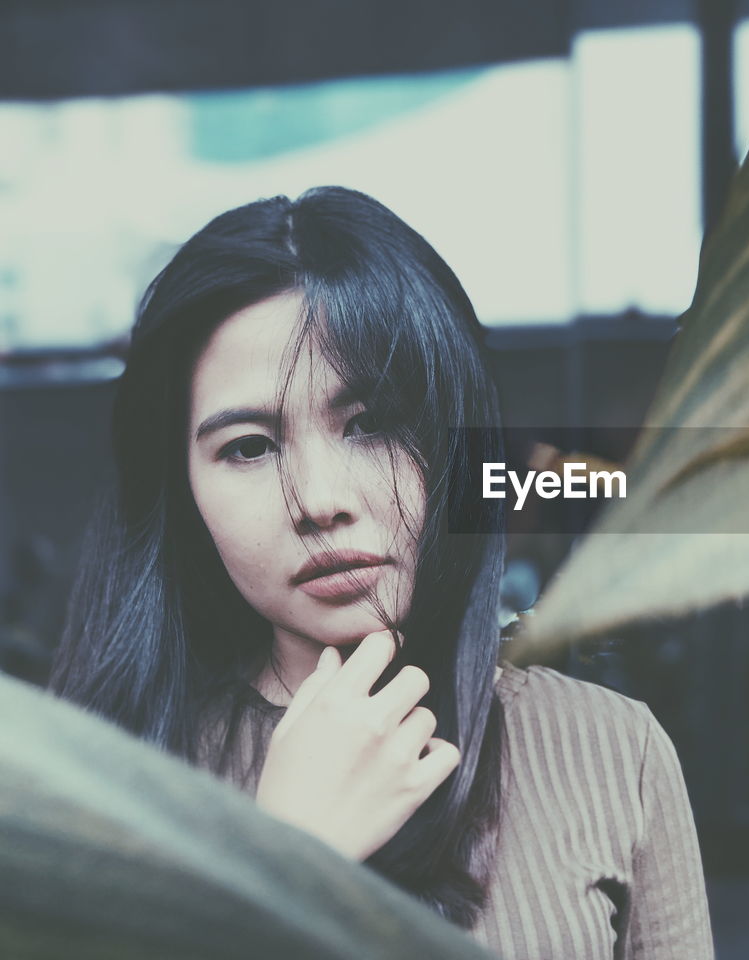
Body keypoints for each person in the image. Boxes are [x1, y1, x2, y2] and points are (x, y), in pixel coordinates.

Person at [49, 186, 714, 960]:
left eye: (372, 427)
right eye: (249, 447)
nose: (322, 502)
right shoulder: (96, 789)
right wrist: (288, 863)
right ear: (183, 491)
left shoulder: (612, 750)